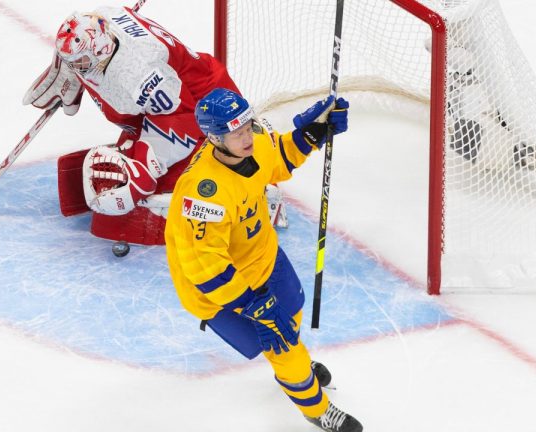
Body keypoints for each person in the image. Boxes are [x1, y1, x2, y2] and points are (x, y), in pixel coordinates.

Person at [164, 88, 362, 432]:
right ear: (214, 138)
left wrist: (313, 133)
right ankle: (315, 407)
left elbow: (279, 156)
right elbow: (204, 268)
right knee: (282, 341)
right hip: (222, 289)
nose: (247, 136)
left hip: (262, 255)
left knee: (292, 314)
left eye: (247, 126)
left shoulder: (250, 141)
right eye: (237, 132)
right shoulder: (203, 192)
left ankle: (291, 369)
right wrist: (253, 304)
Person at [22, 6, 286, 244]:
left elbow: (183, 121)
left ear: (101, 49)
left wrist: (144, 169)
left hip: (204, 108)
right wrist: (67, 70)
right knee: (132, 140)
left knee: (178, 180)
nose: (77, 68)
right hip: (175, 96)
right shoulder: (102, 17)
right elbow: (85, 44)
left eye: (79, 63)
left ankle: (250, 189)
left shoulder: (140, 74)